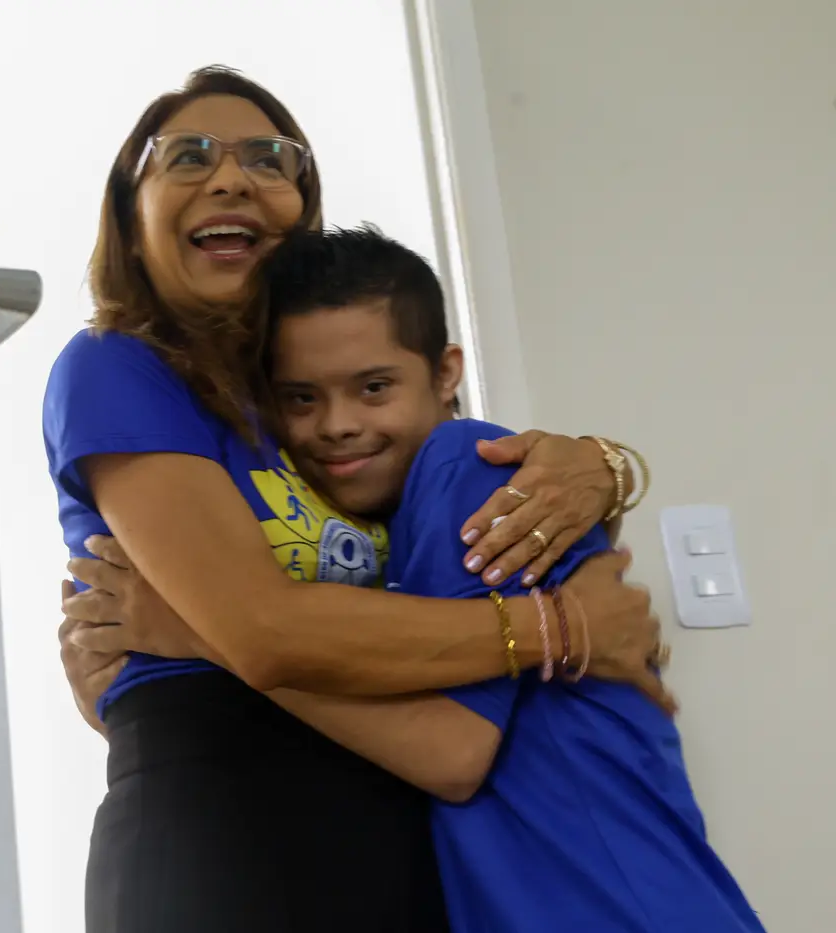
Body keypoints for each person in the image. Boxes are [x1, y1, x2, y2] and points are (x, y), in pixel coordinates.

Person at [43, 65, 663, 932]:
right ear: (130, 214)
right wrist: (563, 630)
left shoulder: (318, 410)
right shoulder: (118, 366)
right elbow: (262, 632)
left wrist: (607, 463)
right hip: (221, 826)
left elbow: (484, 518)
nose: (230, 176)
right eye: (185, 156)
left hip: (397, 816)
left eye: (268, 158)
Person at [64, 225, 761, 932]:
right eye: (299, 399)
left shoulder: (470, 467)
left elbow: (451, 751)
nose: (337, 424)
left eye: (374, 387)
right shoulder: (387, 541)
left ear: (446, 371)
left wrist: (202, 630)